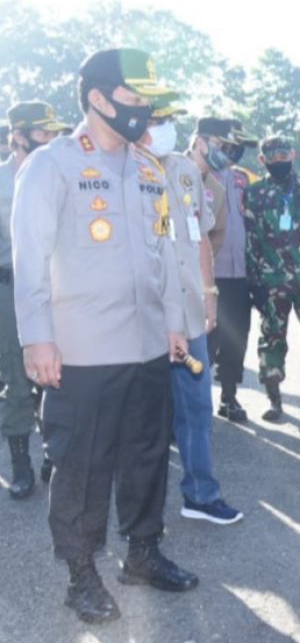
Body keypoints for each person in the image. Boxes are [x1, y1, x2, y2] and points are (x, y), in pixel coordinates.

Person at [14, 48, 199, 624]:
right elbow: (31, 258)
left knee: (146, 454)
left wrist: (175, 321)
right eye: (133, 97)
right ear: (97, 98)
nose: (143, 108)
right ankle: (81, 572)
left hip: (147, 343)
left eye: (148, 99)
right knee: (83, 464)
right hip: (82, 349)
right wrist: (36, 339)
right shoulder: (52, 165)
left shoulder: (151, 172)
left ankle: (142, 551)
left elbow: (167, 251)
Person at [144, 103, 243, 525]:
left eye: (168, 121)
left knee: (198, 409)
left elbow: (201, 239)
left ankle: (200, 495)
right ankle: (140, 516)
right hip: (144, 317)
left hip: (188, 315)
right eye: (155, 121)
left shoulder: (186, 171)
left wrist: (209, 295)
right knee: (143, 418)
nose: (165, 129)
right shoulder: (122, 170)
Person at [1, 102, 69, 499]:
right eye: (43, 133)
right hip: (10, 289)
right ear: (19, 135)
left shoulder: (60, 173)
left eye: (53, 132)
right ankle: (20, 465)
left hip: (57, 287)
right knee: (16, 379)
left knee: (57, 377)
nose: (51, 140)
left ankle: (53, 456)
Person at [244, 135, 300, 421]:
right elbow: (251, 239)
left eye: (284, 156)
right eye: (273, 158)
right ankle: (274, 399)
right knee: (271, 339)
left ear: (292, 155)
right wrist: (253, 281)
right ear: (262, 160)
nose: (279, 162)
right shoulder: (254, 194)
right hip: (272, 282)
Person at [195, 117, 253, 422]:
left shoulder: (243, 178)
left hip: (238, 274)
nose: (234, 151)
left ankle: (229, 396)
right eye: (228, 145)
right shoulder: (193, 175)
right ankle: (195, 403)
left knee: (236, 339)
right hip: (208, 274)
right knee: (205, 341)